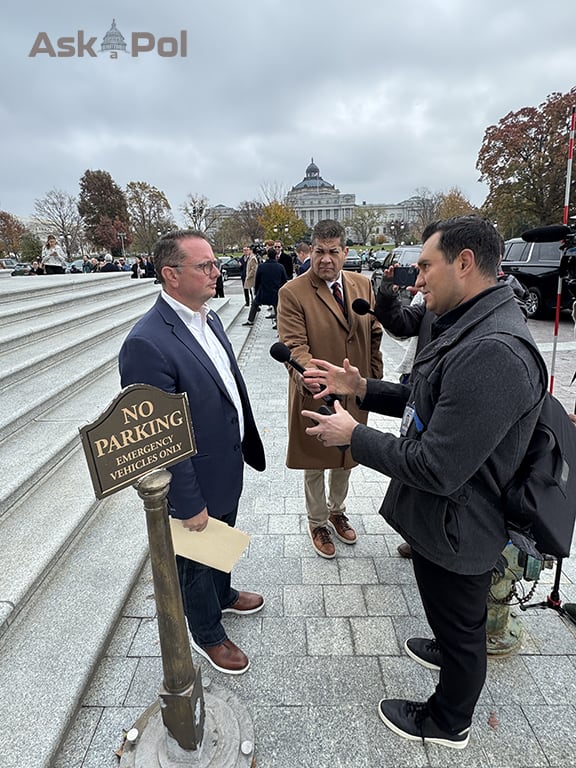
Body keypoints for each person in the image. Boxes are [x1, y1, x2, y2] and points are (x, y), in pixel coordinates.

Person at [301, 216, 546, 749]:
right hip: (446, 516)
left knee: (464, 633)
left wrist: (353, 437)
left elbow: (437, 466)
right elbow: (427, 402)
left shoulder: (493, 351)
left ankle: (448, 720)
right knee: (451, 620)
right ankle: (447, 643)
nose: (416, 281)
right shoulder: (468, 320)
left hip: (463, 525)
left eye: (425, 266)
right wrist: (360, 387)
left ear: (463, 263)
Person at [119, 230, 266, 675]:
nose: (216, 272)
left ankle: (222, 596)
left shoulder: (210, 318)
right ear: (170, 274)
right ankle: (206, 633)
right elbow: (158, 438)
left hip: (225, 461)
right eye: (204, 266)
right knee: (196, 558)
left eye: (215, 264)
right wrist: (188, 502)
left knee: (221, 539)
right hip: (194, 480)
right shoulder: (146, 342)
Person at [276, 219, 383, 558]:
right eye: (318, 252)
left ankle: (337, 511)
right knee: (315, 461)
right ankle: (317, 520)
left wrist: (374, 382)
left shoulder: (363, 285)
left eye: (333, 252)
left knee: (348, 456)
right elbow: (294, 346)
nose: (325, 259)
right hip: (317, 394)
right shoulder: (292, 292)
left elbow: (374, 334)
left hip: (356, 392)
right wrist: (310, 374)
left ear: (344, 252)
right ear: (310, 251)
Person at [242, 247, 287, 329]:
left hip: (263, 292)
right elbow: (284, 280)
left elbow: (257, 280)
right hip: (275, 292)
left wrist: (256, 291)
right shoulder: (280, 267)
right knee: (277, 307)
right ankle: (278, 323)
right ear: (276, 256)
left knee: (255, 304)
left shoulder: (262, 266)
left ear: (267, 256)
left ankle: (250, 320)